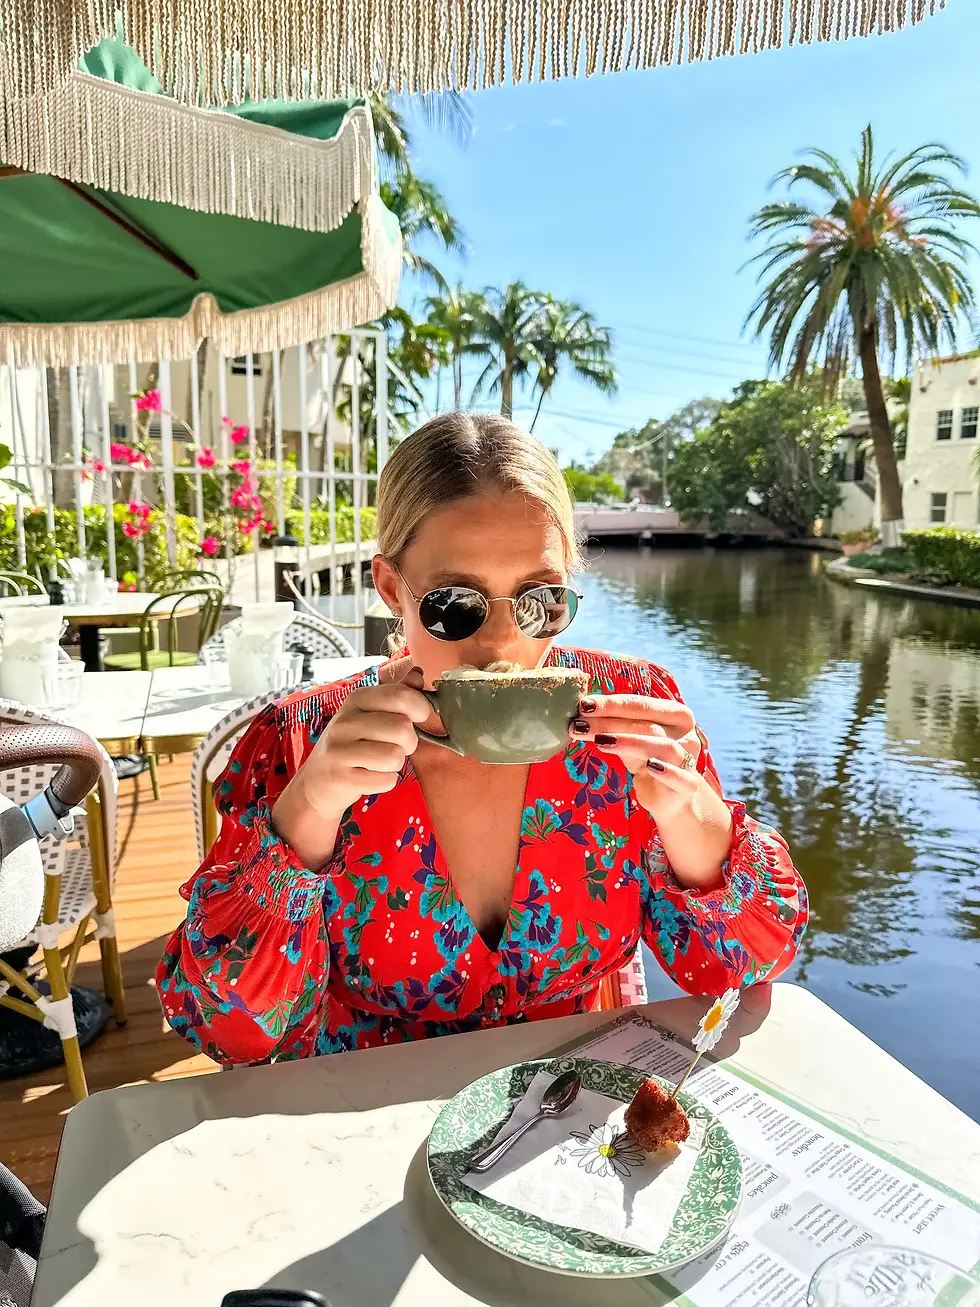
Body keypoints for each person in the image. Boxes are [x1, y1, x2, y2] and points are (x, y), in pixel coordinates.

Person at [158, 413, 807, 1065]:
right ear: (391, 589)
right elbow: (229, 1032)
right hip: (365, 1113)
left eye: (539, 602)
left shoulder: (634, 715)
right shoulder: (300, 740)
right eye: (453, 604)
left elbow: (742, 972)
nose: (501, 644)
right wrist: (306, 813)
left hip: (578, 1114)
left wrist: (687, 814)